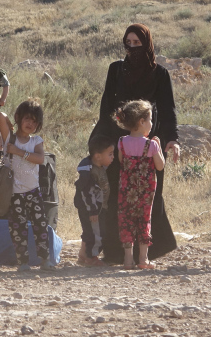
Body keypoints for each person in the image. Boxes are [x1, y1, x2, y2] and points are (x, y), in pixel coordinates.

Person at [89, 23, 180, 264]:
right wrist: (108, 142)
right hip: (120, 144)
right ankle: (117, 252)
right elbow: (106, 107)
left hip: (150, 142)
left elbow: (168, 110)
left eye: (137, 43)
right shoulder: (116, 70)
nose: (131, 48)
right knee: (119, 197)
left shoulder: (160, 74)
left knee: (150, 198)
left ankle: (151, 251)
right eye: (128, 43)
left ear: (146, 44)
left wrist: (171, 140)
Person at [0, 98, 53, 272]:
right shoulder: (10, 138)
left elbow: (40, 159)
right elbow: (0, 115)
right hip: (14, 194)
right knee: (17, 228)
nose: (30, 123)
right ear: (19, 117)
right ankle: (23, 262)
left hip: (33, 191)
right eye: (27, 118)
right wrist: (11, 124)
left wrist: (18, 152)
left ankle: (45, 260)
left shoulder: (36, 140)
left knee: (40, 226)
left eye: (34, 121)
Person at [114, 100, 166, 269]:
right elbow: (160, 166)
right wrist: (157, 147)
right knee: (144, 220)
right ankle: (143, 259)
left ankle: (128, 259)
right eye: (150, 120)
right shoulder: (151, 145)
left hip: (126, 190)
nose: (152, 124)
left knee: (126, 220)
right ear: (141, 122)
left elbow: (122, 162)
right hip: (145, 192)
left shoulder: (121, 142)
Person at [74, 135, 115, 267]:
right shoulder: (89, 174)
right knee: (97, 233)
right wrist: (92, 210)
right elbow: (87, 193)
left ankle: (83, 256)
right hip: (92, 210)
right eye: (110, 154)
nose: (112, 157)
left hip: (97, 208)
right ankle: (91, 258)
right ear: (98, 156)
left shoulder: (100, 168)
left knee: (90, 232)